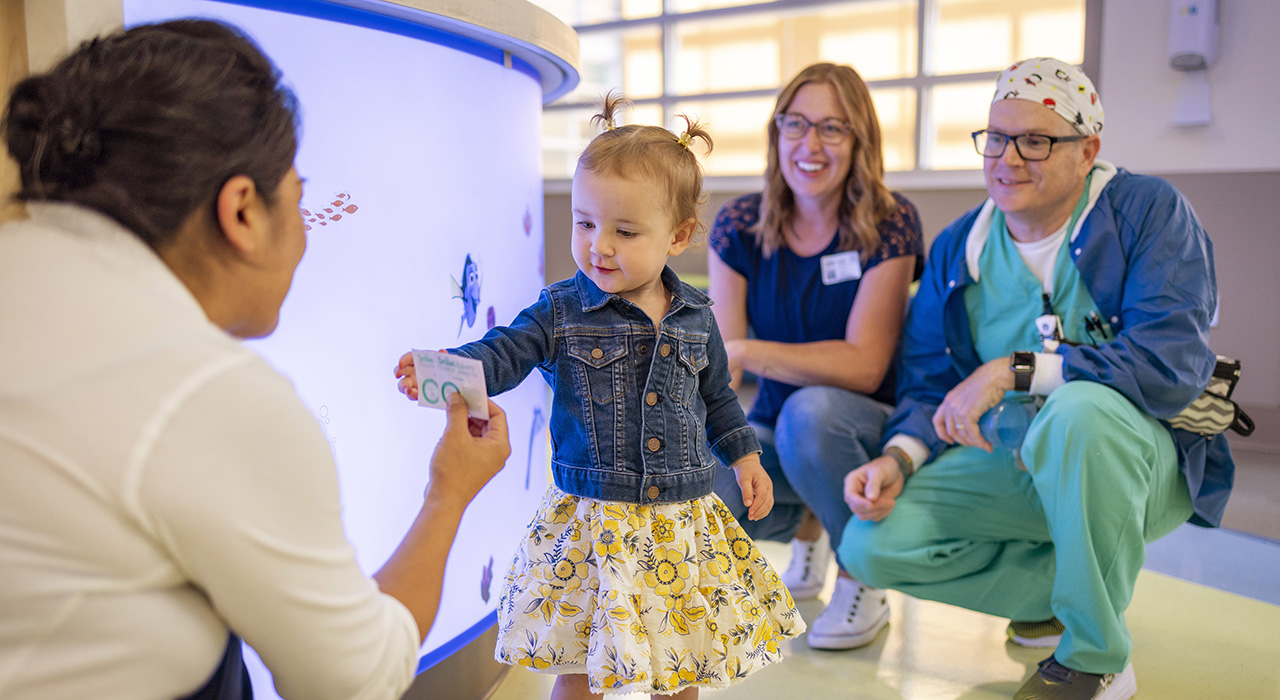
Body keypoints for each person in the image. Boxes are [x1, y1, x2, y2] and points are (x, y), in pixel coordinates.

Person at [0, 20, 510, 700]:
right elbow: (354, 680)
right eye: (298, 203)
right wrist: (451, 491)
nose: (303, 238)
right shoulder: (202, 391)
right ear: (241, 210)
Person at [838, 57, 1234, 700]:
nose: (1009, 158)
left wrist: (1016, 369)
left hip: (1132, 465)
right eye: (996, 137)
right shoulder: (960, 246)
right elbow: (928, 378)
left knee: (1079, 412)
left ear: (1088, 151)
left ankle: (1096, 656)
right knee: (872, 544)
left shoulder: (1147, 213)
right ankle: (1066, 590)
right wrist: (899, 456)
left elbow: (1169, 367)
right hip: (1008, 460)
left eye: (1037, 140)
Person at [394, 93, 804, 699]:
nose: (599, 246)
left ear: (678, 235)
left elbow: (717, 397)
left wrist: (746, 458)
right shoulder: (562, 309)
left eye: (625, 231)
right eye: (584, 223)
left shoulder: (696, 315)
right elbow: (507, 351)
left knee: (678, 663)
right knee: (582, 666)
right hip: (594, 519)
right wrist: (453, 370)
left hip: (677, 521)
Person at [707, 62, 922, 650]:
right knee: (710, 475)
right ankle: (810, 528)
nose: (811, 144)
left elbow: (865, 364)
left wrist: (751, 351)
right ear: (775, 132)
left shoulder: (890, 221)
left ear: (860, 141)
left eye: (833, 128)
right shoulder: (739, 224)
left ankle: (862, 573)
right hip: (778, 425)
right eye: (795, 123)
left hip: (862, 427)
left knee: (812, 414)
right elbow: (720, 367)